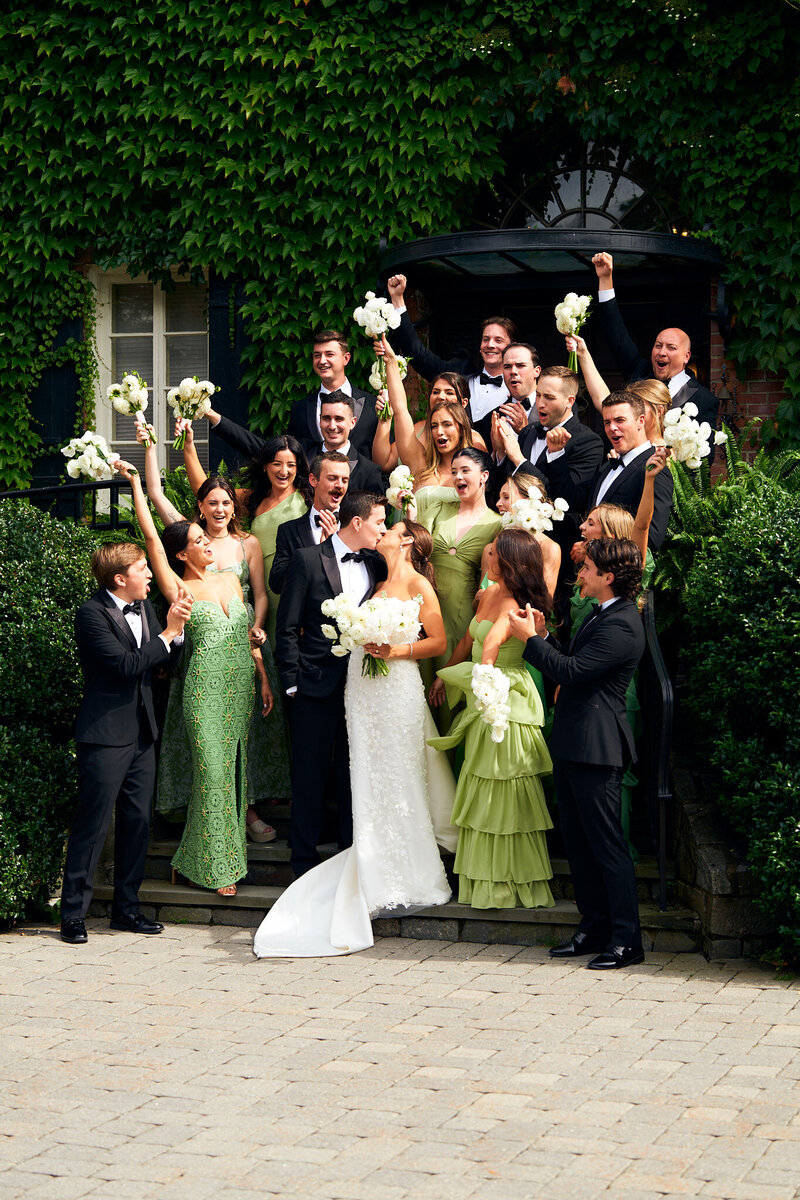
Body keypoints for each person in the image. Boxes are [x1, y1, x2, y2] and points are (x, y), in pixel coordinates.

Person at [253, 518, 455, 957]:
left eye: (390, 526)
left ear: (404, 540)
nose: (381, 530)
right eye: (378, 523)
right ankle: (365, 862)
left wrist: (396, 650)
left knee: (399, 776)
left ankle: (404, 871)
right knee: (362, 775)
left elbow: (437, 640)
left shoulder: (419, 581)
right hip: (358, 691)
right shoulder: (375, 574)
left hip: (396, 688)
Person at [120, 462, 272, 897]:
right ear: (182, 555)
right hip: (202, 691)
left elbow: (248, 637)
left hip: (241, 685)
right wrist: (135, 485)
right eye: (197, 542)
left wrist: (262, 676)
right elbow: (151, 538)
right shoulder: (177, 589)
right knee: (211, 772)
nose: (207, 544)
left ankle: (197, 860)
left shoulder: (231, 580)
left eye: (206, 539)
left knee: (234, 771)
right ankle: (213, 864)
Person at [138, 423, 286, 838]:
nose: (220, 509)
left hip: (244, 639)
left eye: (226, 503)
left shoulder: (247, 544)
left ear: (234, 508)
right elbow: (155, 496)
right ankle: (205, 812)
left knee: (247, 732)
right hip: (205, 643)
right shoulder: (190, 537)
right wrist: (156, 446)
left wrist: (257, 629)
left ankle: (249, 809)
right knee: (207, 736)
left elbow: (259, 594)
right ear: (200, 508)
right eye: (212, 503)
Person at [510, 537, 646, 969]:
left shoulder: (623, 623)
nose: (580, 573)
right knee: (579, 844)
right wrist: (547, 634)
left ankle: (627, 940)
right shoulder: (602, 614)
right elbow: (572, 655)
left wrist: (531, 641)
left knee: (607, 846)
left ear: (608, 577)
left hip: (598, 749)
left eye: (587, 568)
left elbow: (571, 672)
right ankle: (593, 928)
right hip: (574, 743)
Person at [60, 543, 191, 944]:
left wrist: (178, 635)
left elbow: (159, 665)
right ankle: (72, 916)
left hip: (142, 733)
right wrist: (168, 633)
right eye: (142, 569)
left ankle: (126, 910)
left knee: (137, 824)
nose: (151, 575)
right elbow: (124, 666)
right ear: (120, 578)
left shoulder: (146, 608)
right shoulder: (91, 614)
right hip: (104, 736)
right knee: (93, 825)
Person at [429, 529, 555, 910]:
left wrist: (482, 679)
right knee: (482, 782)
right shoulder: (487, 592)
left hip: (505, 697)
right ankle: (484, 878)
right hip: (485, 689)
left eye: (494, 554)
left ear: (511, 562)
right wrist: (443, 673)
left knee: (504, 788)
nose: (487, 556)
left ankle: (506, 883)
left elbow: (492, 645)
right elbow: (469, 641)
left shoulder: (518, 604)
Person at [275, 490, 388, 878]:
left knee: (352, 773)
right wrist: (291, 682)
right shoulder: (308, 560)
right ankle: (302, 864)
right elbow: (287, 627)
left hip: (363, 686)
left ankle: (350, 858)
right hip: (314, 686)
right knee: (309, 776)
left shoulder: (377, 564)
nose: (382, 529)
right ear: (357, 522)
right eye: (378, 522)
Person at [591, 251, 719, 453]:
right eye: (658, 345)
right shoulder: (638, 372)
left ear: (686, 357)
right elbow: (616, 335)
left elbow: (704, 459)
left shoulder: (703, 399)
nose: (661, 352)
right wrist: (605, 279)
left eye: (671, 348)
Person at [491, 364, 604, 573]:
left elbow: (571, 501)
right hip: (513, 549)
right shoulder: (529, 432)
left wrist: (523, 459)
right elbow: (507, 486)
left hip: (557, 552)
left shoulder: (588, 441)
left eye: (549, 398)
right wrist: (500, 454)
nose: (540, 404)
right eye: (539, 395)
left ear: (570, 401)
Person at [386, 273, 519, 443]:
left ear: (512, 345)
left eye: (498, 340)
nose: (490, 345)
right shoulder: (459, 374)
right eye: (486, 339)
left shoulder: (519, 390)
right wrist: (397, 300)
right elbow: (418, 354)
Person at [236, 434, 312, 647]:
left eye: (290, 465)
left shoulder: (309, 498)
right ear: (264, 466)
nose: (284, 471)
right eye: (276, 464)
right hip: (261, 588)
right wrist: (188, 445)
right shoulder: (253, 499)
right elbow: (205, 492)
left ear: (298, 468)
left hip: (295, 588)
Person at [584, 392, 674, 550]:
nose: (612, 427)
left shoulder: (655, 470)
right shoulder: (607, 467)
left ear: (640, 421)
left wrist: (596, 547)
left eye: (620, 420)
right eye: (607, 422)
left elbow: (652, 538)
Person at [564, 334, 671, 447]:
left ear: (659, 411)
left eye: (639, 407)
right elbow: (602, 398)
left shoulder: (664, 454)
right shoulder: (627, 444)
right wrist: (582, 353)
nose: (632, 412)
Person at [371, 370, 487, 474]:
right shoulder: (416, 430)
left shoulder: (474, 440)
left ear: (464, 402)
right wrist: (385, 420)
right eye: (436, 392)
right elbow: (384, 463)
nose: (441, 397)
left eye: (449, 393)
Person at [268, 450, 350, 596]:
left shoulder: (355, 527)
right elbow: (277, 583)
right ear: (313, 480)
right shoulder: (289, 531)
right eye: (332, 478)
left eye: (345, 480)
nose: (340, 485)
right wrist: (318, 553)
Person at [310, 390, 385, 492]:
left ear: (352, 422)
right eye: (326, 418)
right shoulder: (304, 459)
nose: (332, 426)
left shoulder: (369, 472)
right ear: (320, 421)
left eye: (339, 419)